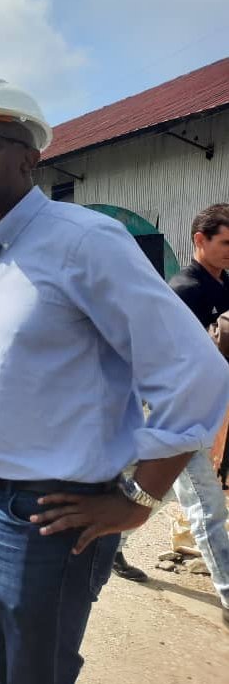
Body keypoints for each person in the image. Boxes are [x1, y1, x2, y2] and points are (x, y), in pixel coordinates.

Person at [0, 77, 229, 684]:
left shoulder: (84, 240)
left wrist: (140, 495)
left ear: (30, 155)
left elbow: (194, 370)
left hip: (53, 509)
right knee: (12, 669)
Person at [114, 205, 229, 623]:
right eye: (226, 243)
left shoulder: (225, 285)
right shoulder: (183, 291)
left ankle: (111, 544)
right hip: (182, 415)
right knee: (208, 506)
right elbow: (161, 359)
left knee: (158, 494)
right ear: (201, 240)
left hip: (211, 410)